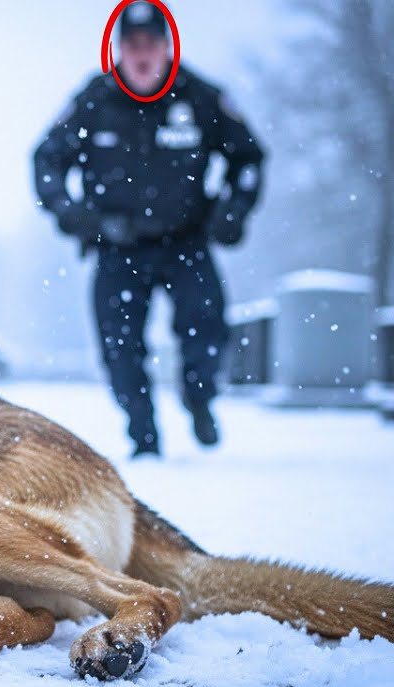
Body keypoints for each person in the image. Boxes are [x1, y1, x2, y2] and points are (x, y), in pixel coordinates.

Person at [33, 1, 265, 458]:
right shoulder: (93, 101)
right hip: (117, 246)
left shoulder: (199, 97)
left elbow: (249, 159)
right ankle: (143, 433)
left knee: (206, 329)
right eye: (132, 45)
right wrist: (73, 215)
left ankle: (199, 400)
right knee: (119, 347)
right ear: (118, 49)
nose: (141, 56)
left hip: (187, 243)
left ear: (166, 48)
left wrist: (234, 211)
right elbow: (46, 162)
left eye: (151, 44)